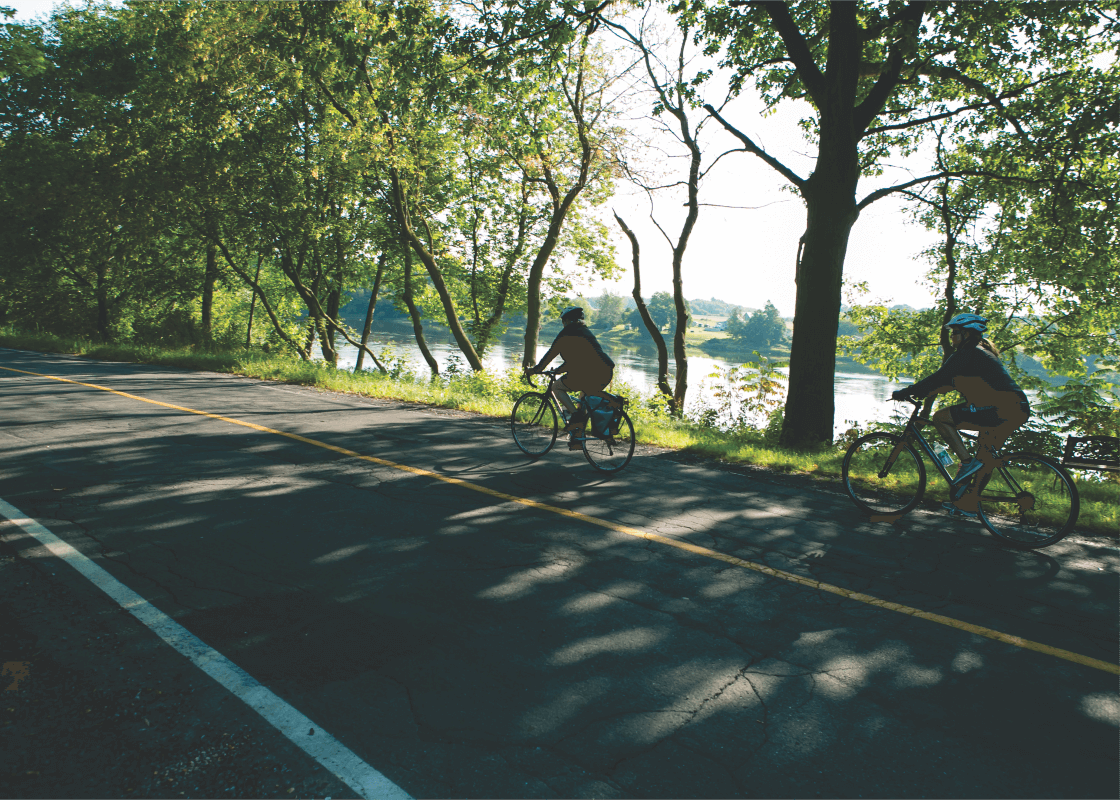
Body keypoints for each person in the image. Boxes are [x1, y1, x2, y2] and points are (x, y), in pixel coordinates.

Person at [891, 314, 1030, 516]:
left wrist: (906, 391)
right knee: (985, 458)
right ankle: (968, 504)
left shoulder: (968, 353)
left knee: (940, 417)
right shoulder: (979, 354)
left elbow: (939, 377)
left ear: (967, 334)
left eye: (955, 332)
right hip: (1016, 408)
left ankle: (965, 462)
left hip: (1000, 409)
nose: (952, 337)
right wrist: (921, 392)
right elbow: (946, 384)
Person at [527, 306, 615, 450]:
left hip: (589, 373)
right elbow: (577, 360)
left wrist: (534, 370)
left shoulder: (566, 334)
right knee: (583, 399)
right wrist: (558, 370)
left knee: (556, 387)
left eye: (563, 321)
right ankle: (578, 438)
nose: (563, 324)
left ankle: (575, 417)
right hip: (605, 372)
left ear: (567, 320)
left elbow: (550, 354)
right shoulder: (585, 332)